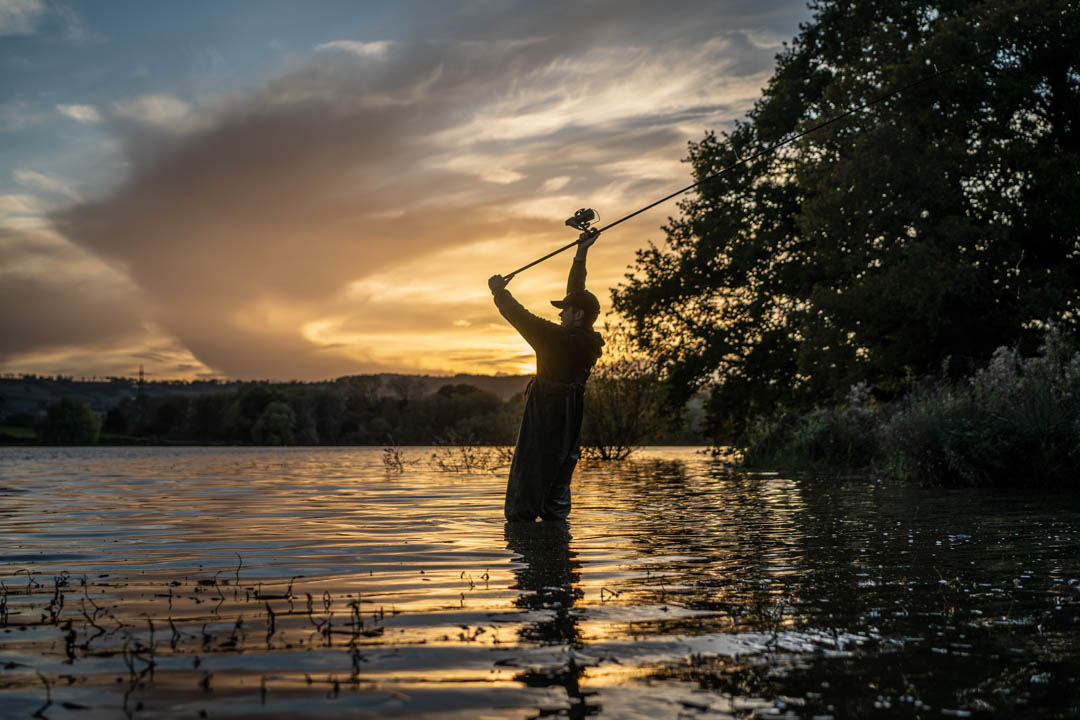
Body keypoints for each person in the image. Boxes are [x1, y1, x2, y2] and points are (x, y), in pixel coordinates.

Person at [488, 229, 605, 522]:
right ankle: (557, 553)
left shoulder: (555, 339)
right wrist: (581, 253)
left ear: (578, 315)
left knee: (524, 493)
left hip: (547, 414)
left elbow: (519, 315)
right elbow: (577, 292)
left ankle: (530, 555)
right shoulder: (587, 339)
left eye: (565, 311)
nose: (560, 314)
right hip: (570, 418)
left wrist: (498, 292)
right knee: (557, 492)